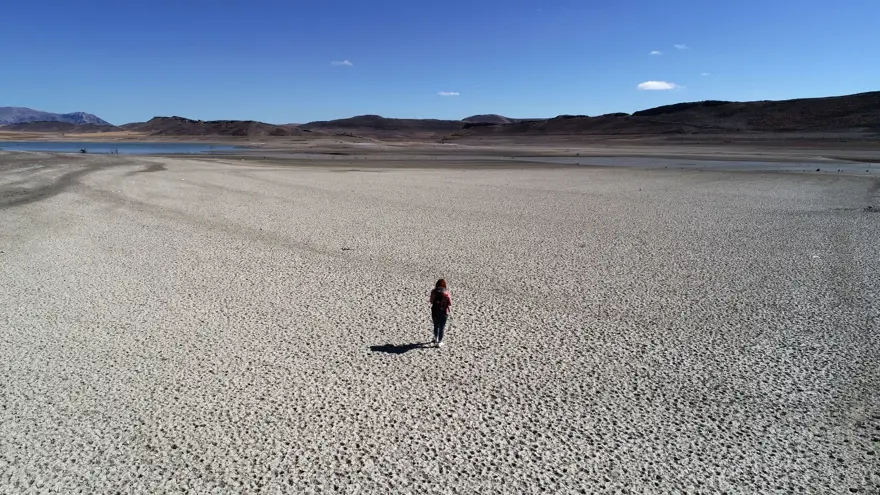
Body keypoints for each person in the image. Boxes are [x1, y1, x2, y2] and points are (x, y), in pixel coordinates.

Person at [429, 279, 452, 347]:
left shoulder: (433, 291)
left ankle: (435, 339)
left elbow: (431, 301)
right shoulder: (446, 292)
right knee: (442, 327)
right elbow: (450, 303)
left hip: (435, 310)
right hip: (444, 311)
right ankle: (439, 342)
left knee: (436, 325)